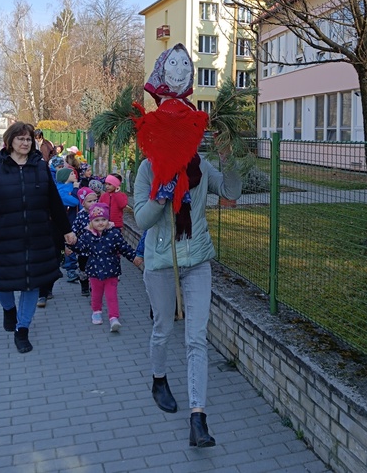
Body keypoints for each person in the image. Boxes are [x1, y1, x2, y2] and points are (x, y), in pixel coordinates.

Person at [133, 43, 242, 448]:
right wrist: (160, 197)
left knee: (196, 338)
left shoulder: (201, 166)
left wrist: (229, 158)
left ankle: (199, 417)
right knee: (163, 328)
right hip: (161, 262)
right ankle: (158, 378)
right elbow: (140, 219)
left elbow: (230, 192)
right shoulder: (148, 168)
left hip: (196, 260)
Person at [0, 121, 76, 353]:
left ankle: (22, 330)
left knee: (32, 285)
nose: (25, 142)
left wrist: (67, 230)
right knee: (2, 281)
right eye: (20, 138)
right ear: (10, 141)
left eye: (28, 139)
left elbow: (54, 202)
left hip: (37, 237)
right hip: (5, 237)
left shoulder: (40, 167)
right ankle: (9, 310)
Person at [66, 202, 142, 331]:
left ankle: (114, 318)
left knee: (111, 296)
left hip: (112, 271)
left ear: (108, 220)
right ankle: (96, 311)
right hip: (94, 272)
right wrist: (71, 245)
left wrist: (134, 257)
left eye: (103, 219)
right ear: (91, 221)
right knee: (96, 294)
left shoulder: (114, 233)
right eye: (97, 220)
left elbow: (124, 247)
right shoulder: (87, 235)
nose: (100, 223)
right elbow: (81, 247)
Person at [71, 186, 99, 297]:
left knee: (96, 268)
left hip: (97, 247)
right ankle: (84, 286)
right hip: (83, 248)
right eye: (90, 201)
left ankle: (94, 287)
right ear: (83, 203)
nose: (93, 203)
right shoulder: (81, 215)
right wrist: (71, 242)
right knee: (83, 268)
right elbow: (74, 229)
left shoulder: (99, 213)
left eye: (95, 200)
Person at [55, 166, 81, 283]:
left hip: (73, 220)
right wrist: (75, 189)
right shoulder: (61, 190)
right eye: (71, 174)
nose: (75, 175)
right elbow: (75, 201)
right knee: (69, 244)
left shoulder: (70, 187)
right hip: (67, 222)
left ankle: (64, 265)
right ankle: (70, 269)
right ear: (65, 177)